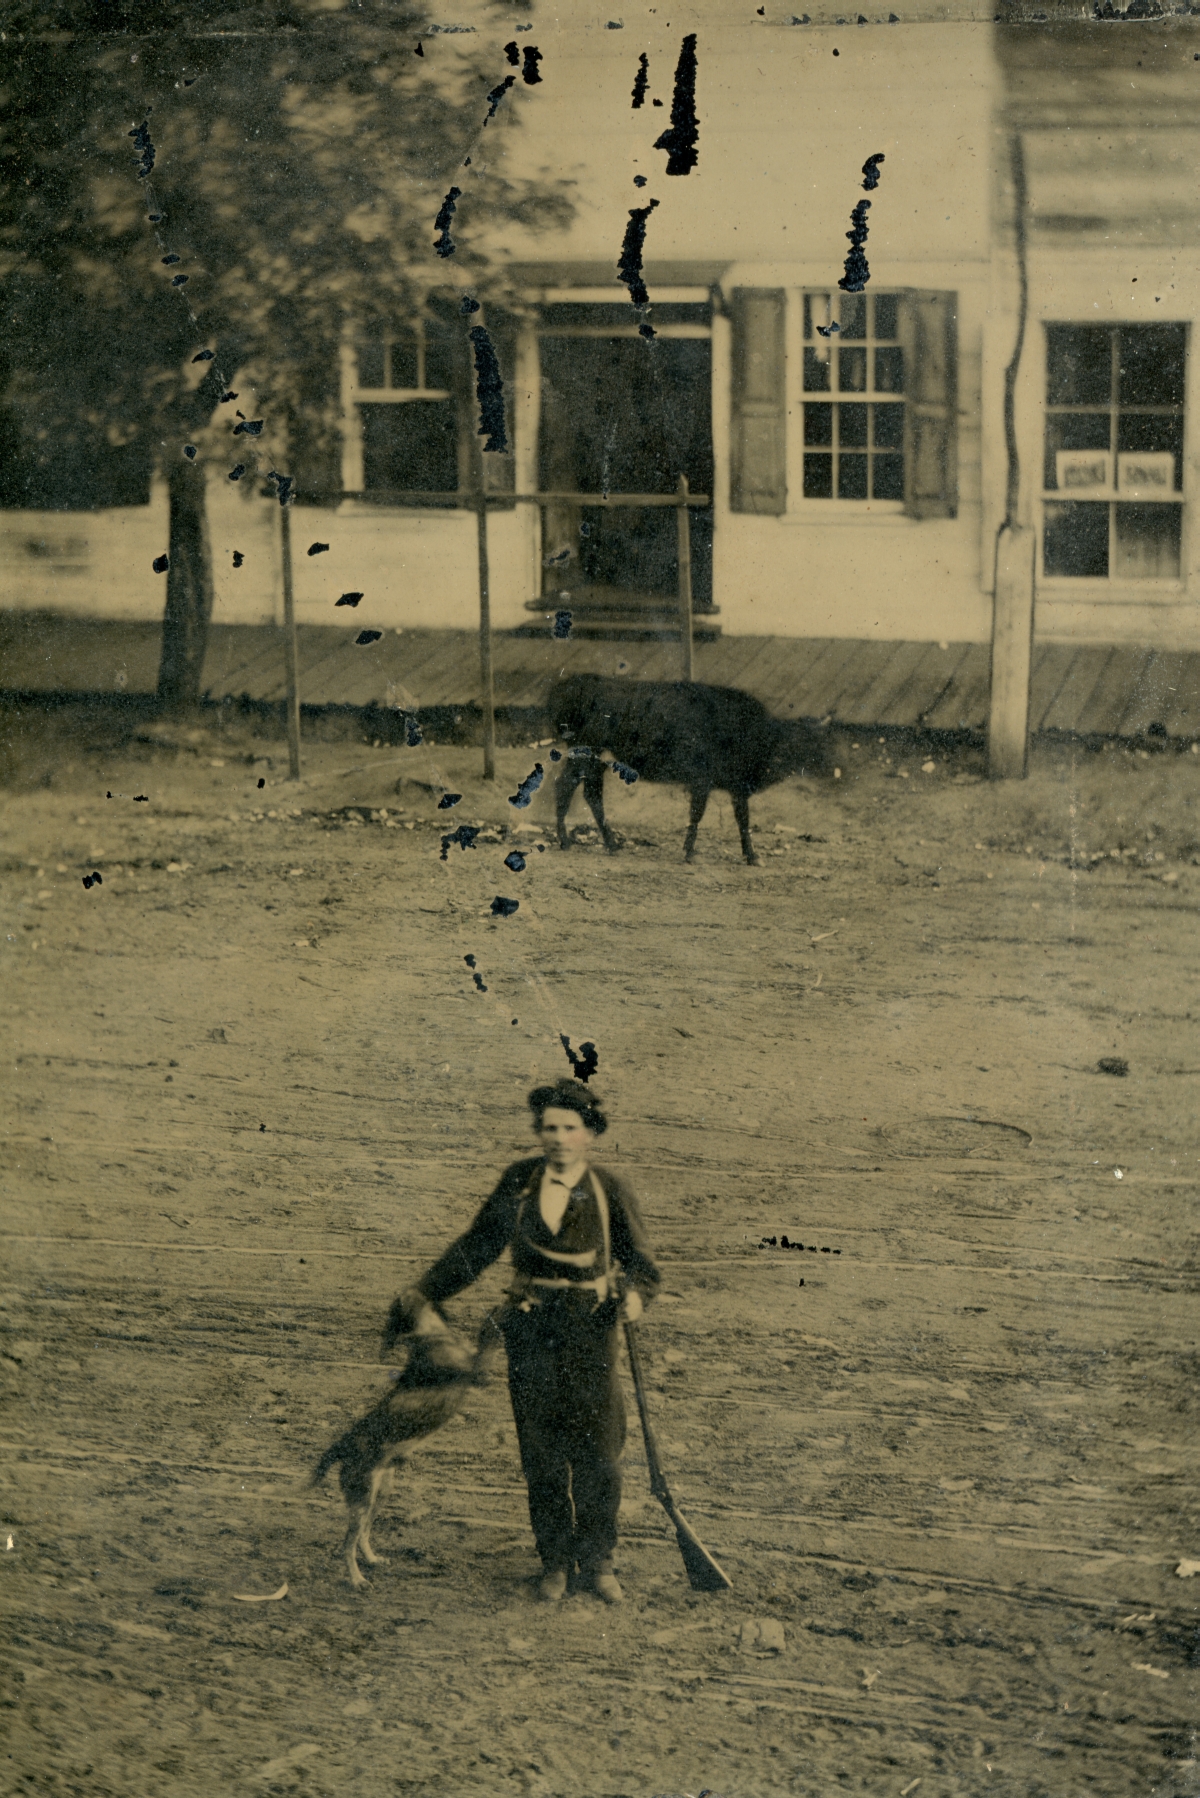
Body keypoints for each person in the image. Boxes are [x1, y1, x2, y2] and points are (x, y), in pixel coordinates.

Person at [385, 1079, 659, 1605]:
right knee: (542, 1451)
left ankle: (598, 1561)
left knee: (600, 1452)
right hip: (530, 1330)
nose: (558, 1138)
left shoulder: (609, 1189)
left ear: (589, 1134)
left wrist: (634, 1299)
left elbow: (643, 1268)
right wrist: (425, 1291)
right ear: (538, 1132)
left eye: (570, 1128)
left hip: (591, 1331)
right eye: (549, 1128)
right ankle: (554, 1561)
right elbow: (478, 1247)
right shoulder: (519, 1183)